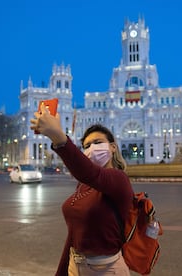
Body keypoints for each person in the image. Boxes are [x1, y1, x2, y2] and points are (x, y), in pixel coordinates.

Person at [30, 104, 134, 276]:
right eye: (86, 146)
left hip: (106, 270)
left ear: (113, 147)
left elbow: (90, 173)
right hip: (75, 266)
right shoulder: (84, 185)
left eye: (98, 142)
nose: (92, 148)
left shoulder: (118, 179)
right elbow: (74, 236)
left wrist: (59, 137)